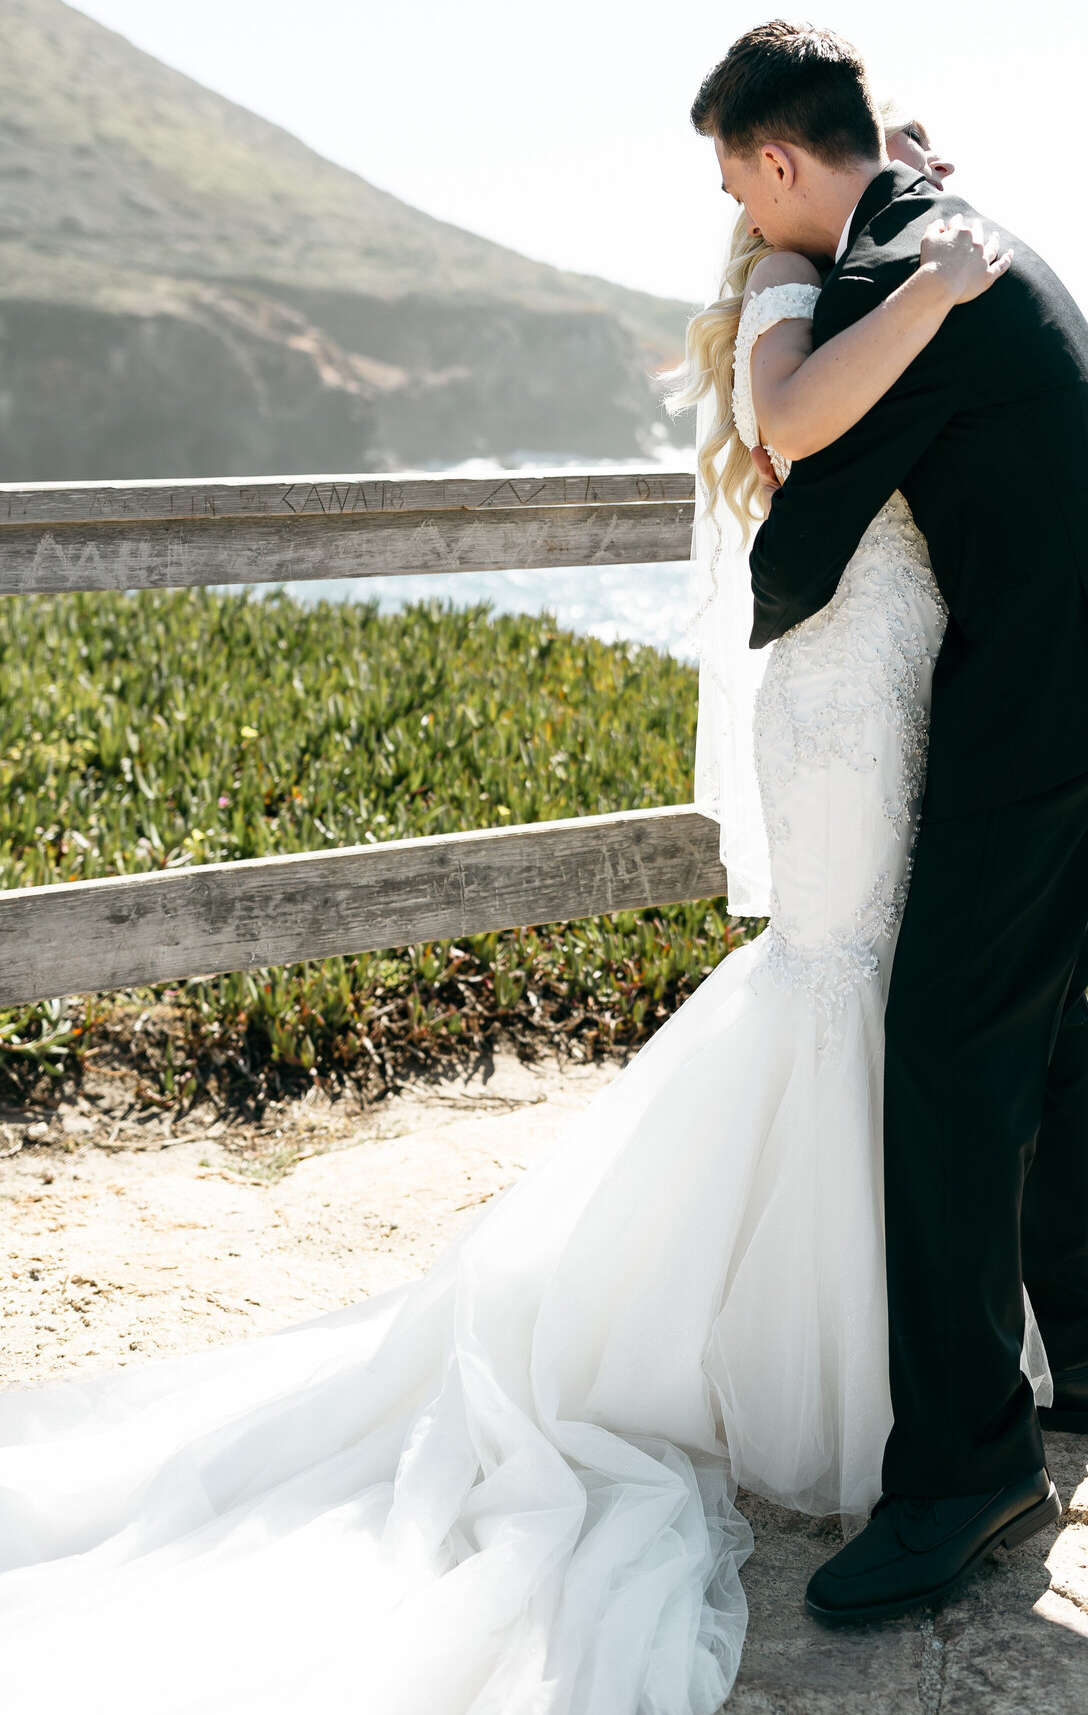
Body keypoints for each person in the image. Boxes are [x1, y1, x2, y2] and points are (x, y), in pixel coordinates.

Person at [0, 83, 1016, 1714]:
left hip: (899, 672)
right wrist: (933, 286)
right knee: (835, 977)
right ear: (778, 174)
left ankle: (905, 1347)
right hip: (842, 693)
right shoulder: (779, 275)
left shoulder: (859, 240)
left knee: (869, 985)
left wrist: (910, 228)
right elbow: (791, 429)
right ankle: (831, 1381)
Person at [693, 18, 1088, 1626]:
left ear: (781, 160)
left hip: (1044, 693)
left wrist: (781, 604)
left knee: (940, 1052)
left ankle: (965, 1469)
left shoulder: (893, 274)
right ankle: (1073, 1360)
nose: (738, 210)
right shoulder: (941, 239)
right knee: (1037, 1022)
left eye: (734, 176)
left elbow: (816, 483)